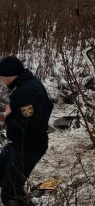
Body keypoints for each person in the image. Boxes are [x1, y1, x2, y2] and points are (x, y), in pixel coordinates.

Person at [0, 56, 53, 205]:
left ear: (9, 74)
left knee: (11, 195)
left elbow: (28, 125)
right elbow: (48, 107)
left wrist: (9, 117)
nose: (1, 80)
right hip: (23, 144)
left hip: (28, 147)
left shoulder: (24, 93)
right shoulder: (29, 84)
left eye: (1, 76)